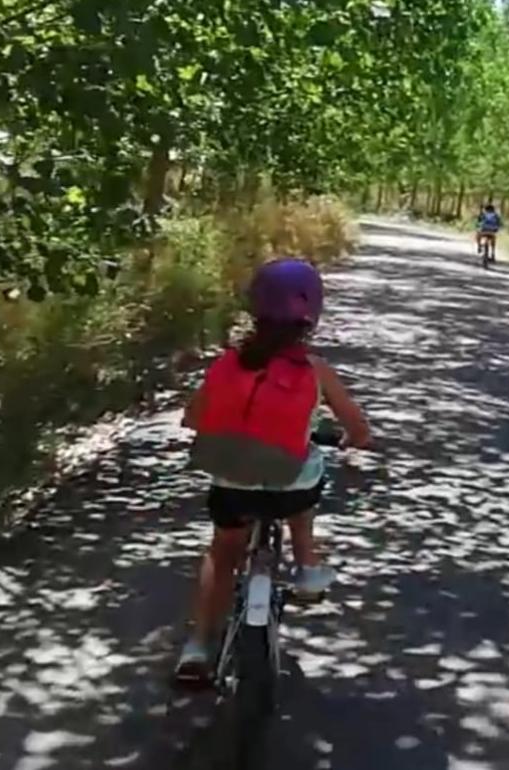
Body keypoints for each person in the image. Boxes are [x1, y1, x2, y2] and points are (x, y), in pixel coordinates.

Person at [175, 258, 372, 682]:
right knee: (307, 479)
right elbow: (359, 431)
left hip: (230, 482)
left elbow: (191, 419)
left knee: (222, 554)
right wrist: (348, 442)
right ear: (311, 312)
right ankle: (306, 567)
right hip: (288, 486)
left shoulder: (228, 362)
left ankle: (197, 648)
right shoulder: (314, 369)